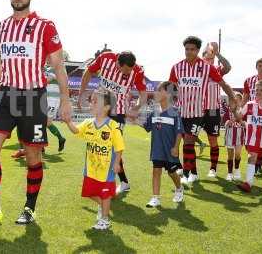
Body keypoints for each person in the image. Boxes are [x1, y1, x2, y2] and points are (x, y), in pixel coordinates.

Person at [0, 0, 71, 229]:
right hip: (6, 95)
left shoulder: (44, 26)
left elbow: (58, 65)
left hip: (32, 98)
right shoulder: (3, 26)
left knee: (32, 156)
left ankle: (30, 208)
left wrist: (65, 99)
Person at [169, 36, 236, 185]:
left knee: (189, 142)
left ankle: (186, 174)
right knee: (185, 144)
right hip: (181, 112)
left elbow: (223, 83)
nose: (189, 52)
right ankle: (193, 173)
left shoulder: (208, 68)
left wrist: (232, 97)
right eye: (187, 49)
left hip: (198, 112)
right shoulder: (177, 67)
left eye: (192, 49)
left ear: (198, 50)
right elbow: (171, 88)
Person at [78, 50, 147, 194]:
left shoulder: (138, 71)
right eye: (125, 70)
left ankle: (117, 183)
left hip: (118, 112)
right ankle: (102, 181)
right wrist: (81, 94)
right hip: (101, 109)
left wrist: (137, 107)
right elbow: (88, 72)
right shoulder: (105, 58)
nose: (127, 73)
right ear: (117, 63)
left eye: (130, 71)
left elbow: (143, 93)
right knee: (98, 145)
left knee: (114, 148)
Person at [65, 89, 123, 230]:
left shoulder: (113, 126)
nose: (91, 103)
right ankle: (103, 207)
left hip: (106, 169)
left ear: (107, 107)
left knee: (105, 194)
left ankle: (104, 219)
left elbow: (119, 147)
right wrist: (68, 122)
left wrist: (116, 163)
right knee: (89, 193)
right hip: (90, 168)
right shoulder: (88, 123)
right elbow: (76, 131)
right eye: (91, 100)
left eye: (95, 101)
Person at [141, 81, 184, 207]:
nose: (156, 93)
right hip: (157, 148)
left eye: (159, 90)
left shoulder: (175, 112)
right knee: (156, 170)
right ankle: (155, 198)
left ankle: (179, 188)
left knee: (171, 172)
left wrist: (176, 147)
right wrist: (134, 119)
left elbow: (179, 132)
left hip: (170, 149)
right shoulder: (154, 111)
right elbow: (147, 127)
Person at [11, 67, 66, 158]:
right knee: (35, 121)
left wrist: (49, 78)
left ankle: (54, 140)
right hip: (43, 97)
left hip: (52, 99)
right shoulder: (46, 68)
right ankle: (34, 147)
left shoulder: (57, 67)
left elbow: (53, 80)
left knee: (44, 123)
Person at [201, 42, 232, 177]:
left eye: (212, 57)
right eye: (208, 56)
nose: (210, 59)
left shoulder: (217, 70)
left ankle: (213, 168)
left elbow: (228, 67)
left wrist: (218, 52)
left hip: (213, 110)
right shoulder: (197, 70)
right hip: (197, 109)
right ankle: (189, 171)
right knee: (188, 137)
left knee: (212, 140)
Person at [238, 80, 262, 193]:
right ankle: (248, 183)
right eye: (256, 90)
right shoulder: (249, 105)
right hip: (253, 138)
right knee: (251, 157)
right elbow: (239, 116)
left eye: (261, 90)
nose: (258, 92)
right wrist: (235, 110)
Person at [242, 58, 262, 175]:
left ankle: (260, 167)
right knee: (251, 143)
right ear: (256, 67)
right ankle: (257, 166)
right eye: (259, 66)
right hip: (252, 115)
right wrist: (240, 110)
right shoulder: (249, 81)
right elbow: (245, 98)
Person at [223, 92, 244, 181]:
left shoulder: (243, 111)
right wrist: (228, 122)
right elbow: (225, 122)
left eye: (238, 100)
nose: (236, 102)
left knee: (238, 155)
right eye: (234, 100)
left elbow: (246, 122)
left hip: (239, 134)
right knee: (230, 155)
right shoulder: (228, 111)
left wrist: (241, 121)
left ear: (241, 101)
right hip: (230, 134)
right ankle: (230, 173)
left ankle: (237, 169)